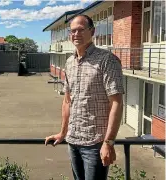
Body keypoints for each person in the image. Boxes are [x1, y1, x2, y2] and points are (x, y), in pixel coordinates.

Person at [44, 14, 124, 180]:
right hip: (73, 141)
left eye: (81, 30)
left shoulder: (107, 60)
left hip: (95, 143)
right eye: (73, 31)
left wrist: (109, 143)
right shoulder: (69, 62)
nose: (76, 34)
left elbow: (116, 103)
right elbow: (67, 101)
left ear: (92, 31)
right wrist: (62, 133)